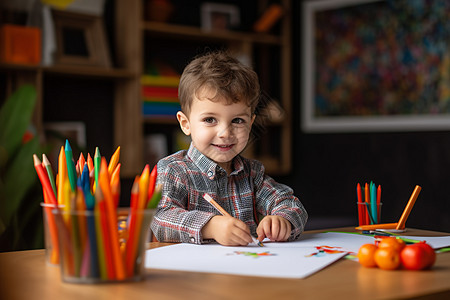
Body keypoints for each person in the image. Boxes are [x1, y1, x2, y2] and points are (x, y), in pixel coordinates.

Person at [150, 51, 308, 246]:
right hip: (194, 273)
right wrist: (210, 226)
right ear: (186, 123)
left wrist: (282, 220)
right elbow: (159, 219)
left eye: (237, 120)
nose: (225, 132)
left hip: (248, 268)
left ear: (250, 124)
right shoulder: (173, 170)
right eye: (210, 120)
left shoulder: (253, 174)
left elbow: (292, 205)